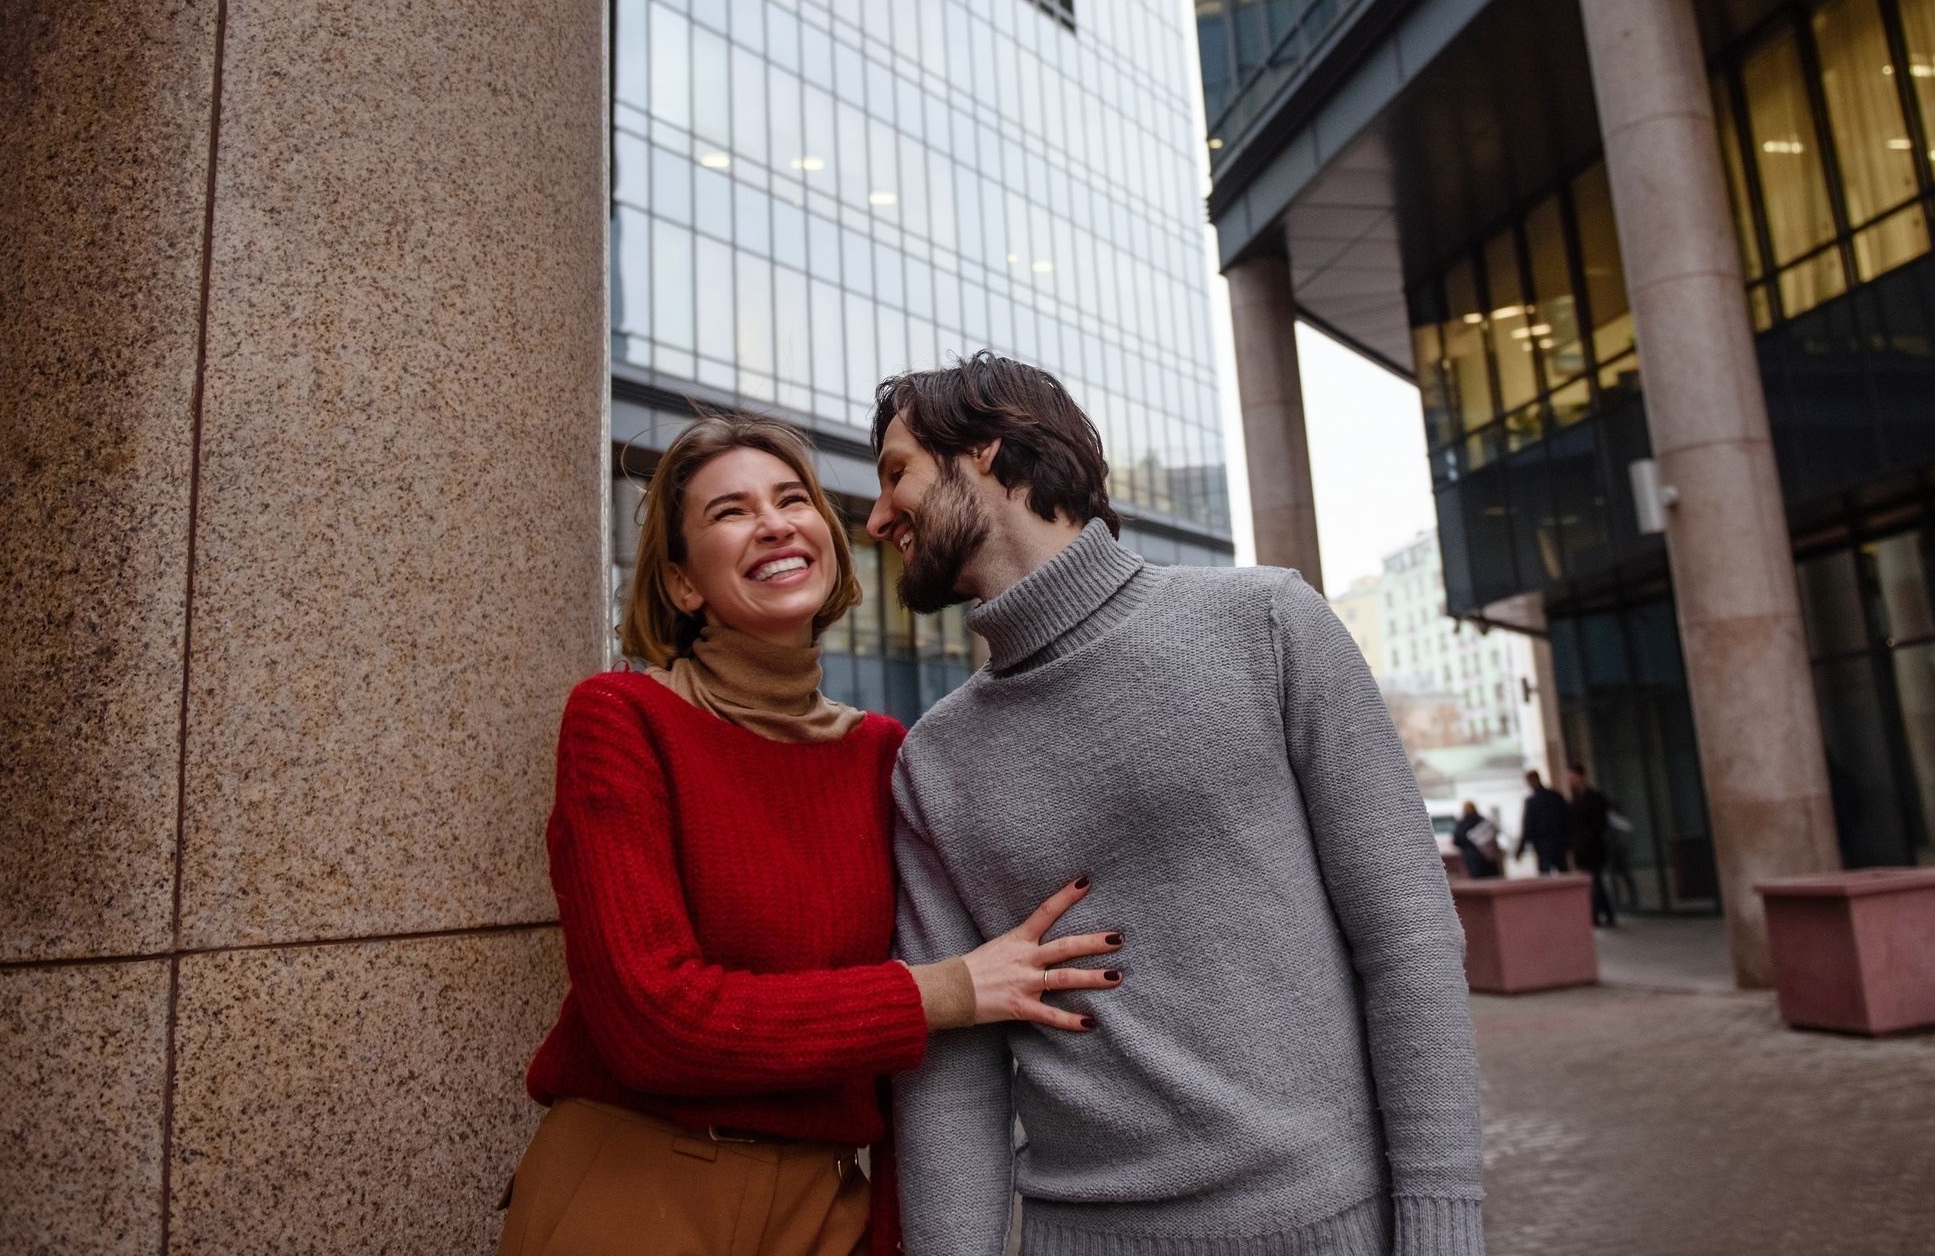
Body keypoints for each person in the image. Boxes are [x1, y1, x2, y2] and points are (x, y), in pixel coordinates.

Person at [869, 355, 1485, 1256]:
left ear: (988, 449)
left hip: (1329, 1228)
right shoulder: (932, 761)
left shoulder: (1267, 625)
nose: (879, 514)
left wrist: (1442, 1229)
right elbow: (954, 1075)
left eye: (896, 473)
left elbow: (1408, 938)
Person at [499, 413, 1122, 1256]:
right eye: (730, 511)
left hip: (829, 1207)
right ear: (683, 583)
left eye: (792, 498)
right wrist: (941, 991)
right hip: (636, 1187)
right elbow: (654, 1020)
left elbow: (915, 1083)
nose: (774, 521)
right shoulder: (621, 720)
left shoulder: (884, 754)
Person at [1567, 764, 1616, 926]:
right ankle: (1604, 913)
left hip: (1593, 848)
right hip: (1583, 849)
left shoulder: (1594, 797)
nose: (1572, 781)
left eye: (1574, 777)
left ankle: (1598, 914)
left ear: (1581, 777)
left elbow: (1599, 823)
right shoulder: (1575, 799)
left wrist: (1586, 839)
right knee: (1595, 882)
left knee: (1595, 882)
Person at [1516, 769, 1570, 874]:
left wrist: (1520, 849)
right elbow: (1567, 819)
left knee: (1546, 876)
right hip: (1559, 842)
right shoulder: (1556, 796)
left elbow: (1528, 827)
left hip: (1542, 845)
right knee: (1564, 873)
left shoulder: (1532, 802)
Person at [1454, 799, 1503, 879]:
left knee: (1478, 883)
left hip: (1472, 859)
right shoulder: (1483, 820)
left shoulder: (1462, 824)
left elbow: (1456, 841)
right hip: (1488, 857)